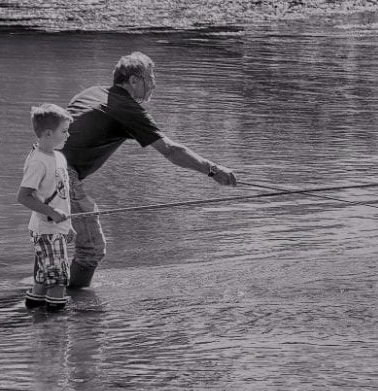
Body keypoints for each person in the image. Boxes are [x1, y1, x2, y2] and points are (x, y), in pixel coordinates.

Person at [61, 51, 237, 289]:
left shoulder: (91, 93)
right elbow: (170, 150)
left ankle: (43, 298)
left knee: (50, 239)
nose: (154, 83)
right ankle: (74, 306)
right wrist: (213, 170)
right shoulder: (126, 108)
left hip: (39, 163)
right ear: (134, 81)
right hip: (61, 175)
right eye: (149, 77)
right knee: (91, 250)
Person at [17, 104, 76, 311]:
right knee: (59, 280)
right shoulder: (38, 161)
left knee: (43, 279)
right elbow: (23, 197)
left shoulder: (58, 156)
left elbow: (61, 196)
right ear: (48, 133)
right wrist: (51, 213)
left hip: (56, 230)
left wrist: (68, 224)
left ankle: (34, 316)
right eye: (64, 131)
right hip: (46, 231)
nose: (68, 135)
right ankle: (56, 330)